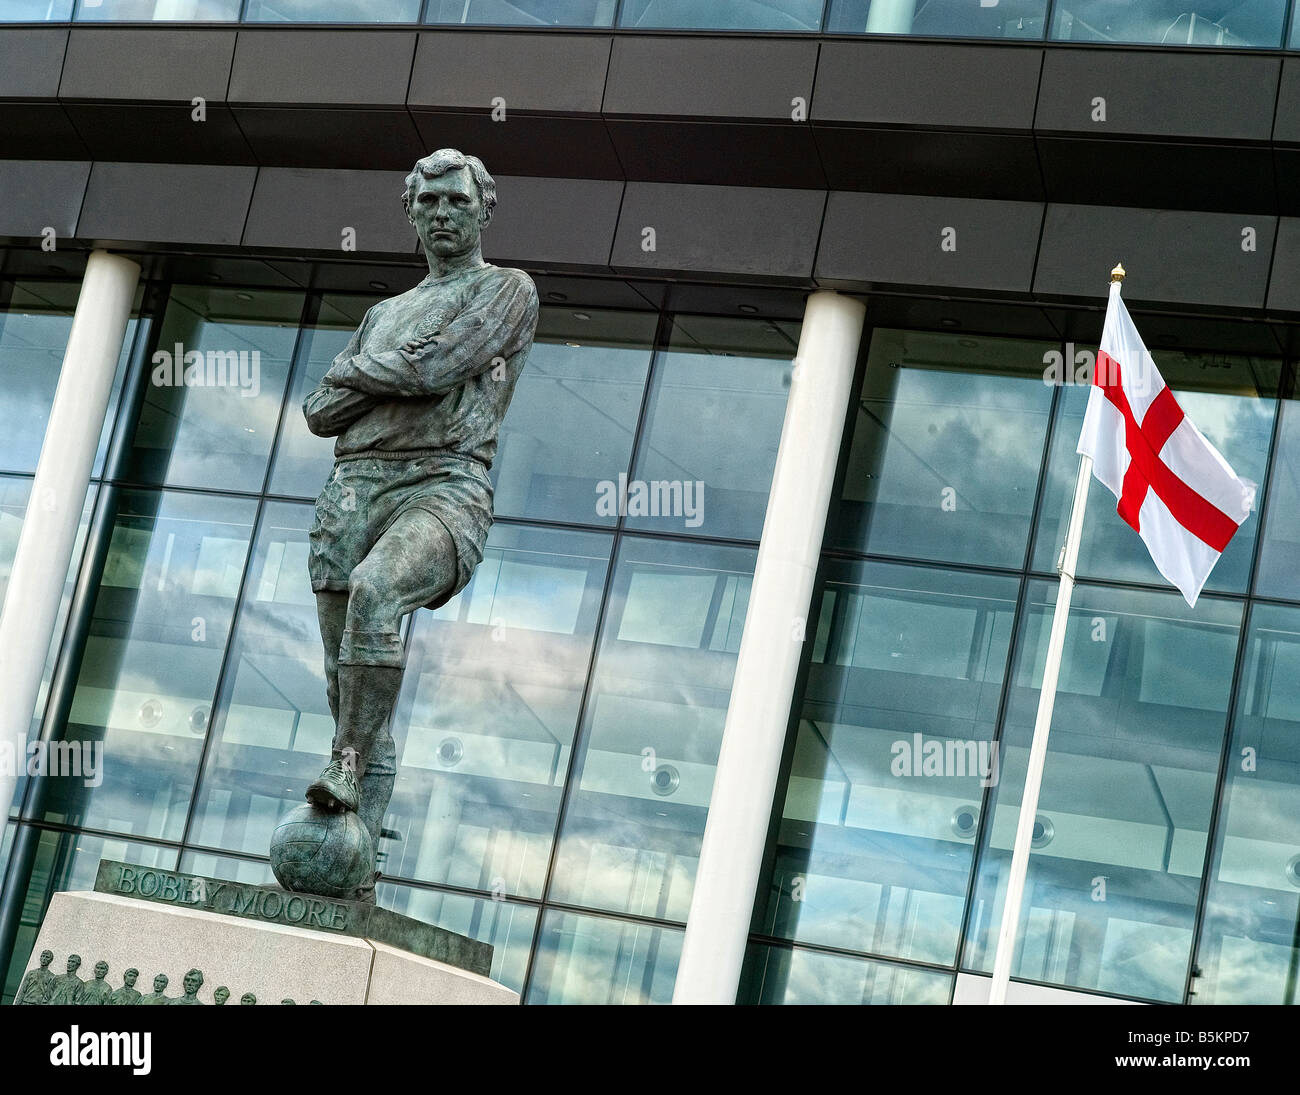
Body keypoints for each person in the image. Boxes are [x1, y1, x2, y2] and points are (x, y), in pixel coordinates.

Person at [299, 148, 538, 902]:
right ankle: (355, 867)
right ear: (410, 212)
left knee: (377, 592)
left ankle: (342, 762)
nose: (442, 213)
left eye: (456, 201)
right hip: (352, 490)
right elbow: (318, 412)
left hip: (444, 484)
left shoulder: (506, 291)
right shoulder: (385, 312)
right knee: (350, 681)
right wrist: (389, 368)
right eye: (428, 202)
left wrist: (367, 373)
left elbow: (433, 371)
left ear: (483, 208)